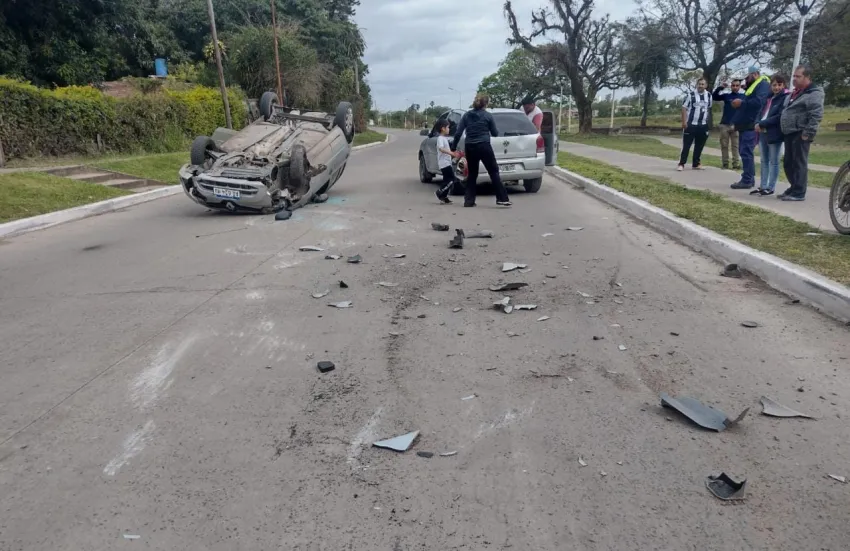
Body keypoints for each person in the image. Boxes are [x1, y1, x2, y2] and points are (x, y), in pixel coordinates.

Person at [453, 94, 511, 208]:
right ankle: (502, 198)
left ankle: (469, 201)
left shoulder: (466, 116)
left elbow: (458, 133)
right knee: (493, 171)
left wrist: (453, 147)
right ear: (486, 104)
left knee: (472, 174)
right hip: (484, 145)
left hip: (470, 147)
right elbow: (495, 133)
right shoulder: (488, 116)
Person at [777, 64, 825, 201]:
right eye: (794, 76)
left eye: (798, 76)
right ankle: (794, 187)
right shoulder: (795, 92)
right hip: (789, 132)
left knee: (798, 163)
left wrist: (808, 133)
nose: (794, 79)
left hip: (801, 132)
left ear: (807, 77)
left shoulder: (814, 93)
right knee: (788, 163)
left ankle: (799, 192)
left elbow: (816, 114)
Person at [730, 66, 771, 190]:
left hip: (751, 125)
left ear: (755, 74)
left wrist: (741, 103)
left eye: (747, 77)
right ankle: (748, 178)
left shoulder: (763, 85)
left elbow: (759, 102)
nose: (746, 80)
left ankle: (747, 180)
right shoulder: (754, 85)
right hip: (745, 125)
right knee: (744, 151)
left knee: (746, 151)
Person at [752, 74, 789, 196]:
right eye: (774, 85)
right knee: (764, 160)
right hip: (762, 132)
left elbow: (779, 116)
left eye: (779, 85)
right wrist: (757, 123)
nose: (776, 87)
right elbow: (760, 112)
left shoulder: (784, 98)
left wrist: (763, 123)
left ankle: (771, 187)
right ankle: (763, 186)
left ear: (783, 85)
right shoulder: (768, 98)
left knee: (774, 161)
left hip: (774, 133)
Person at [677, 78, 712, 171]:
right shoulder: (691, 95)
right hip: (691, 124)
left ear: (706, 85)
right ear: (697, 85)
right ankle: (681, 163)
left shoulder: (708, 95)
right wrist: (684, 122)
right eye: (699, 84)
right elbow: (684, 108)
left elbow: (708, 108)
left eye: (703, 84)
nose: (701, 86)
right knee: (686, 145)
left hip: (703, 125)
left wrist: (707, 123)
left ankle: (696, 163)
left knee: (699, 145)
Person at [711, 78, 745, 169]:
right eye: (733, 85)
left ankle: (736, 164)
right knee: (724, 145)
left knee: (735, 146)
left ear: (739, 86)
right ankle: (725, 164)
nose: (735, 87)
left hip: (736, 125)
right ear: (731, 86)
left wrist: (746, 88)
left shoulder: (743, 96)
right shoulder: (726, 96)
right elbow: (714, 96)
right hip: (724, 124)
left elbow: (752, 98)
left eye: (737, 85)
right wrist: (720, 88)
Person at [434, 120, 461, 204]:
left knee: (447, 180)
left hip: (447, 162)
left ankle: (443, 197)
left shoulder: (444, 138)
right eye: (448, 127)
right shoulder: (440, 138)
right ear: (443, 128)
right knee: (451, 179)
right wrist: (451, 153)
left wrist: (454, 154)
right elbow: (441, 148)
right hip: (444, 163)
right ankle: (440, 192)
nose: (449, 129)